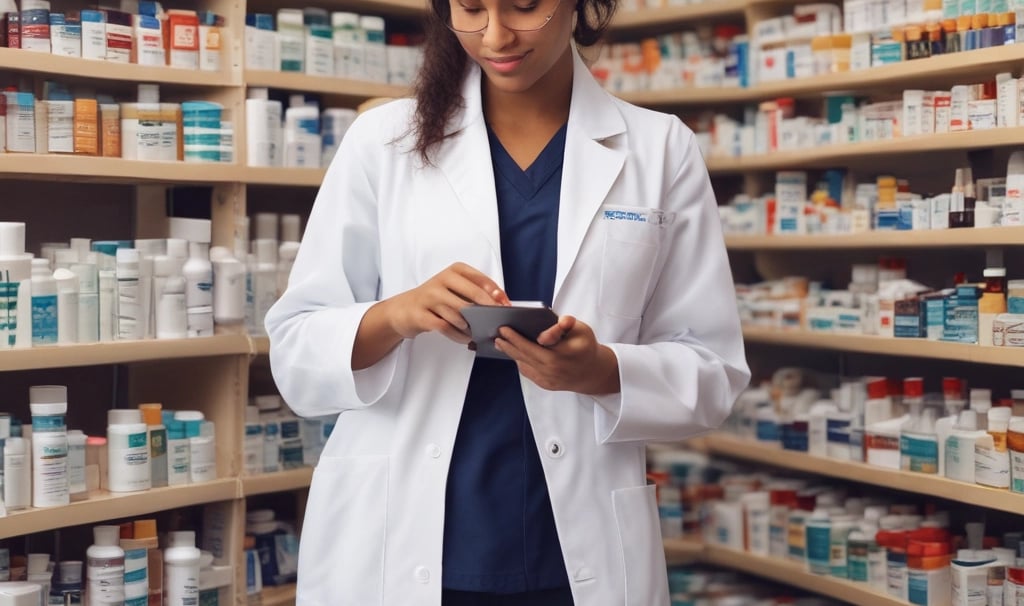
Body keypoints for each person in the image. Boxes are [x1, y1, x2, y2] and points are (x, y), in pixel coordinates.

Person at [264, 0, 751, 600]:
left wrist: (602, 370)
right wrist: (397, 314)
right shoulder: (382, 142)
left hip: (574, 554)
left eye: (524, 6)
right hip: (402, 546)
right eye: (471, 8)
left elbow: (712, 372)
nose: (495, 34)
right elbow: (294, 349)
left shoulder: (659, 150)